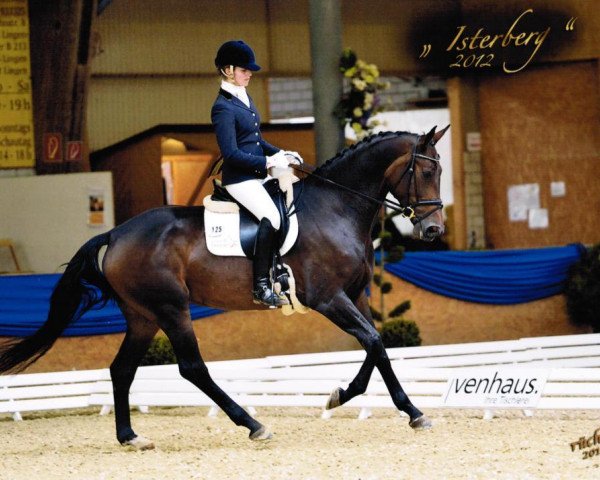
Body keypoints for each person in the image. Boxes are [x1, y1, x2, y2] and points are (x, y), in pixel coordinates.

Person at [211, 40, 302, 307]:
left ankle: (282, 269)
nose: (249, 74)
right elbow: (231, 154)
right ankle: (261, 286)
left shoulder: (243, 96)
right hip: (240, 179)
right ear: (228, 69)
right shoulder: (223, 107)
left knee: (292, 202)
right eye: (244, 70)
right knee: (271, 217)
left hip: (256, 173)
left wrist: (282, 152)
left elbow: (256, 140)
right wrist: (267, 162)